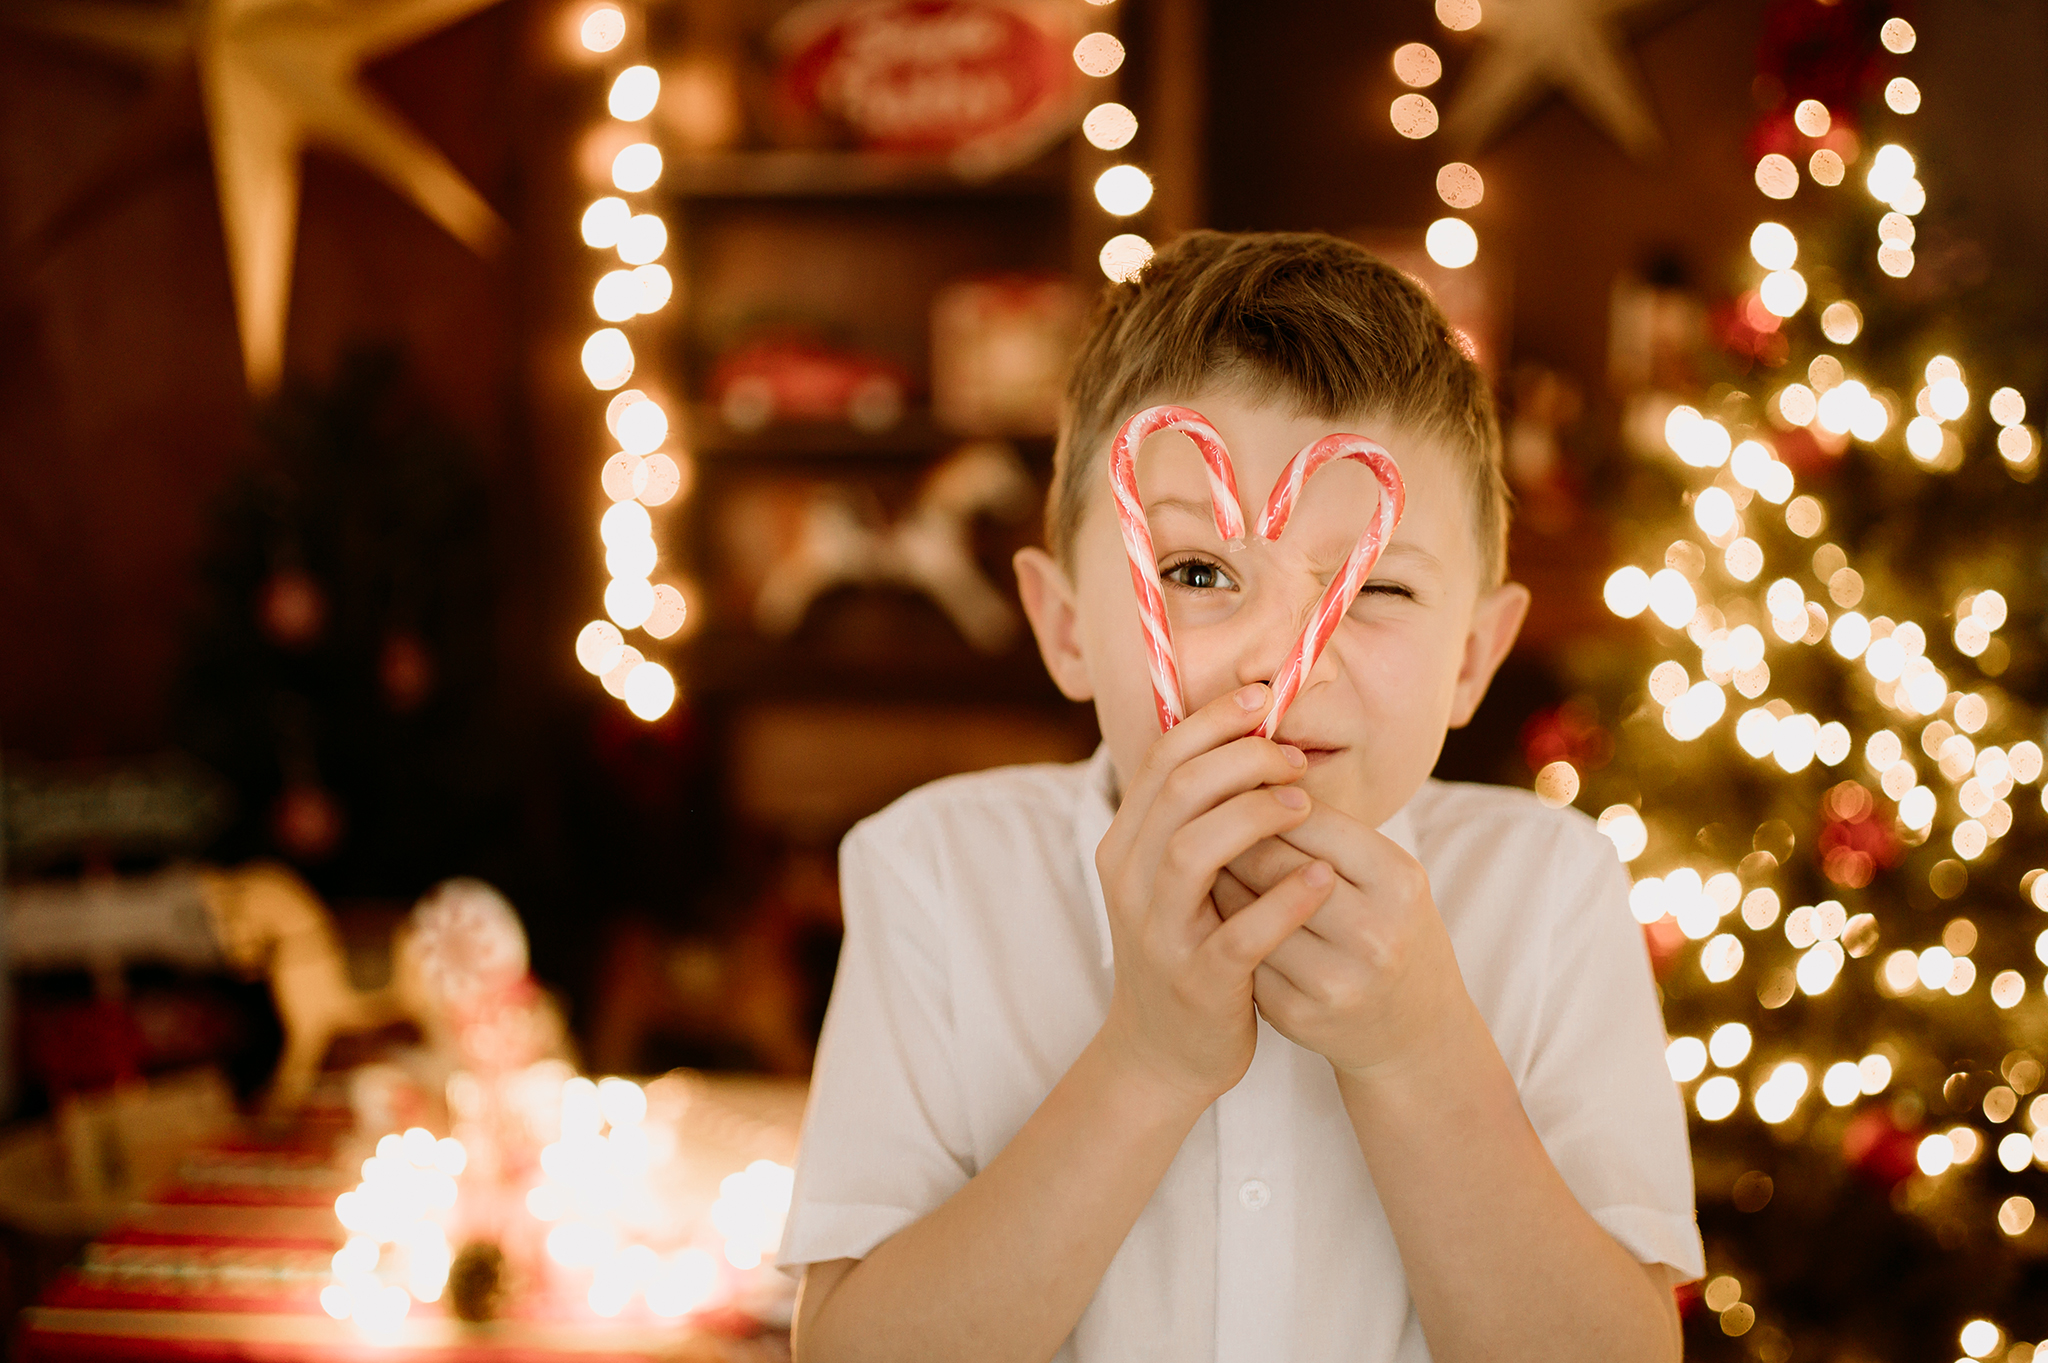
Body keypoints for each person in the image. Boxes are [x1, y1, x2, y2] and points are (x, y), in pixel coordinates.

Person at [774, 231, 1704, 1362]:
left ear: (1473, 656)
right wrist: (1147, 1059)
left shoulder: (1549, 891)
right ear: (1065, 625)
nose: (1284, 659)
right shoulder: (936, 872)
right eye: (1196, 572)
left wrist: (1416, 1053)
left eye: (1377, 584)